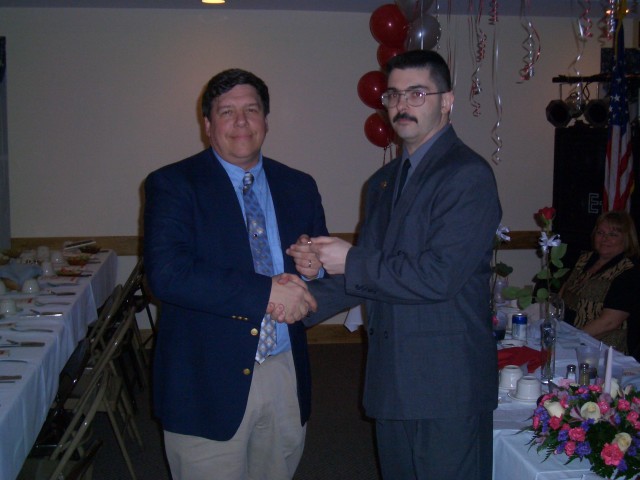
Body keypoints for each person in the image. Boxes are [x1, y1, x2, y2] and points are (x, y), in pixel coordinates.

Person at [287, 50, 501, 480]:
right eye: (393, 95)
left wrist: (350, 258)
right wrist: (299, 298)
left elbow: (438, 276)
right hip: (391, 379)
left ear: (447, 101)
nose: (402, 105)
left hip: (445, 385)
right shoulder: (382, 183)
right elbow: (363, 279)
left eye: (417, 93)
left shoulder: (467, 174)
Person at [143, 68, 328, 480]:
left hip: (284, 370)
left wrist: (315, 269)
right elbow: (167, 274)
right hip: (206, 378)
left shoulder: (299, 185)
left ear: (266, 121)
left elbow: (318, 271)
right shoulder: (174, 184)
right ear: (207, 125)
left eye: (251, 110)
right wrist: (265, 293)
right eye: (227, 112)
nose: (241, 122)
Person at [561, 210, 640, 357]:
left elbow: (609, 322)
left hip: (600, 349)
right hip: (567, 337)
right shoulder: (584, 259)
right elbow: (563, 295)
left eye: (613, 235)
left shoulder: (629, 271)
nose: (604, 239)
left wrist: (569, 340)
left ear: (627, 239)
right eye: (600, 233)